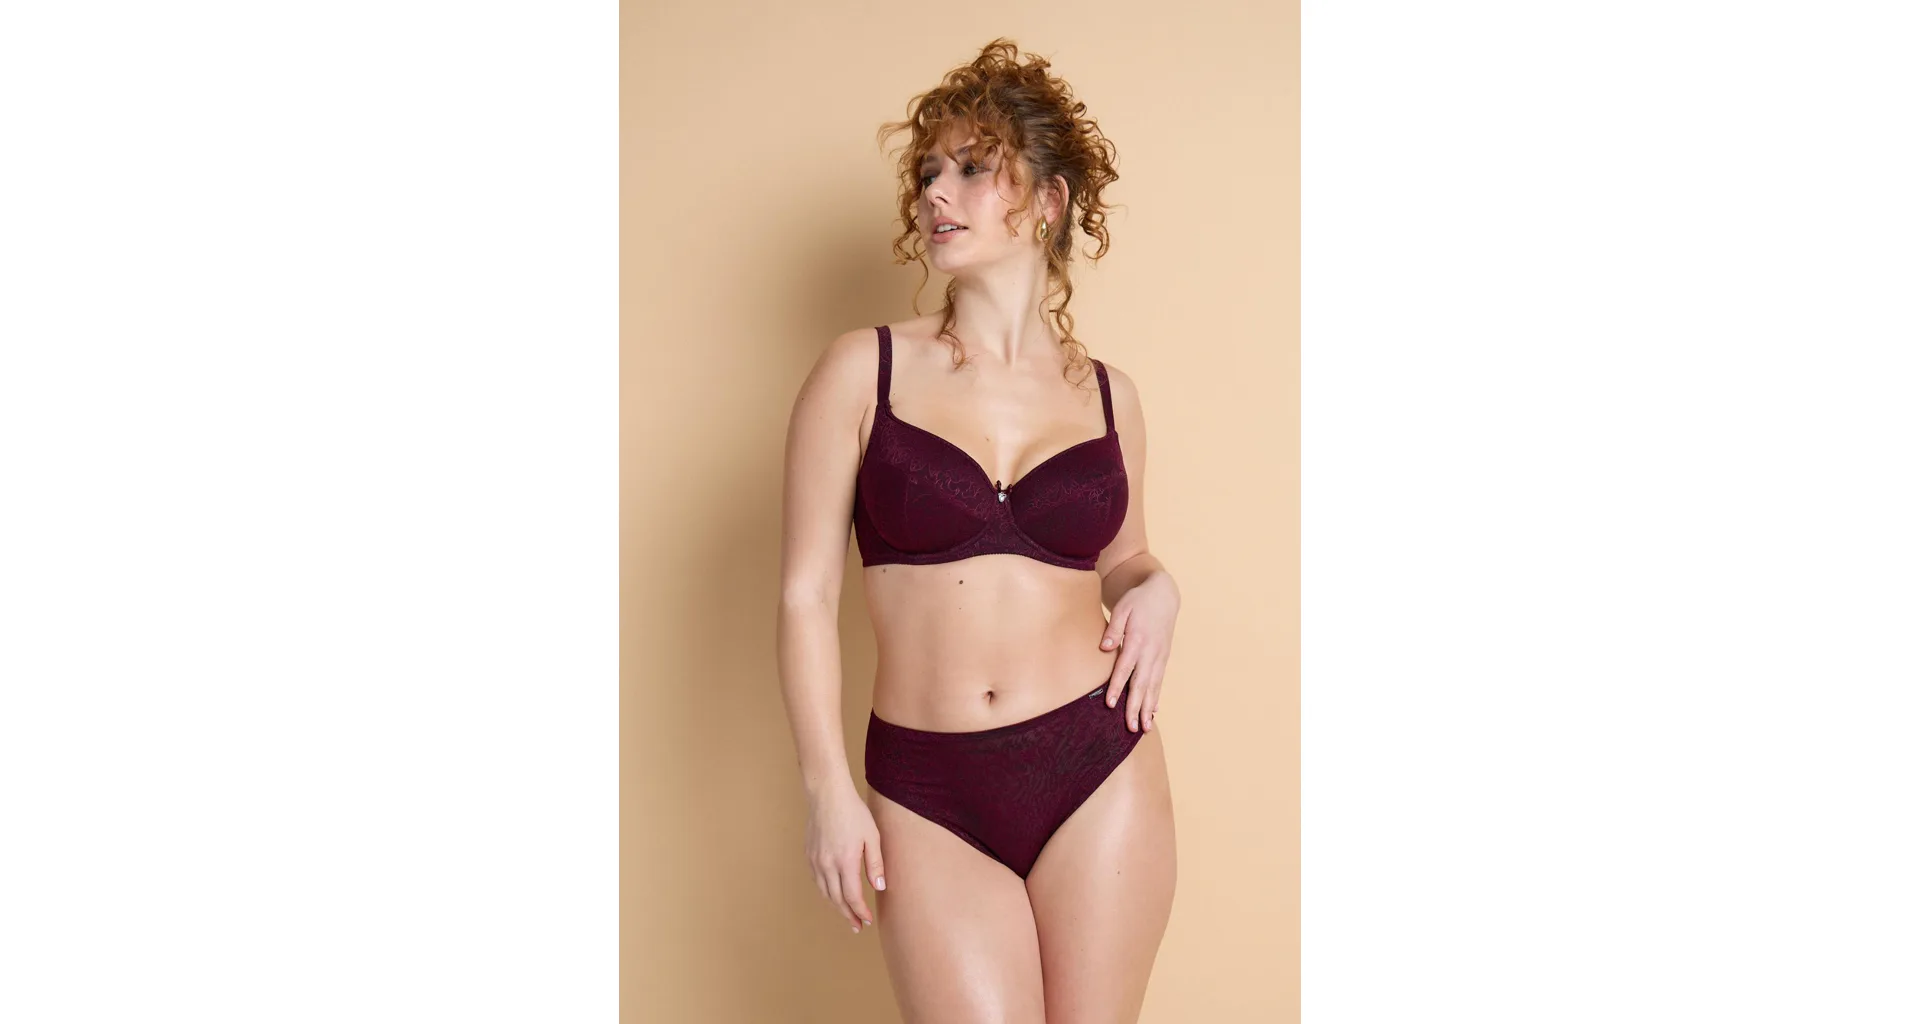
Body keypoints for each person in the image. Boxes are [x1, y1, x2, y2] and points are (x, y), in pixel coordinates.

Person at [776, 38, 1182, 1023]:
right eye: (927, 172)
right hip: (928, 786)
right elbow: (805, 595)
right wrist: (827, 788)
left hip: (1097, 764)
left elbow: (1124, 557)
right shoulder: (862, 370)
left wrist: (1158, 586)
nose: (935, 193)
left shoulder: (1110, 396)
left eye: (970, 167)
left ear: (1047, 200)